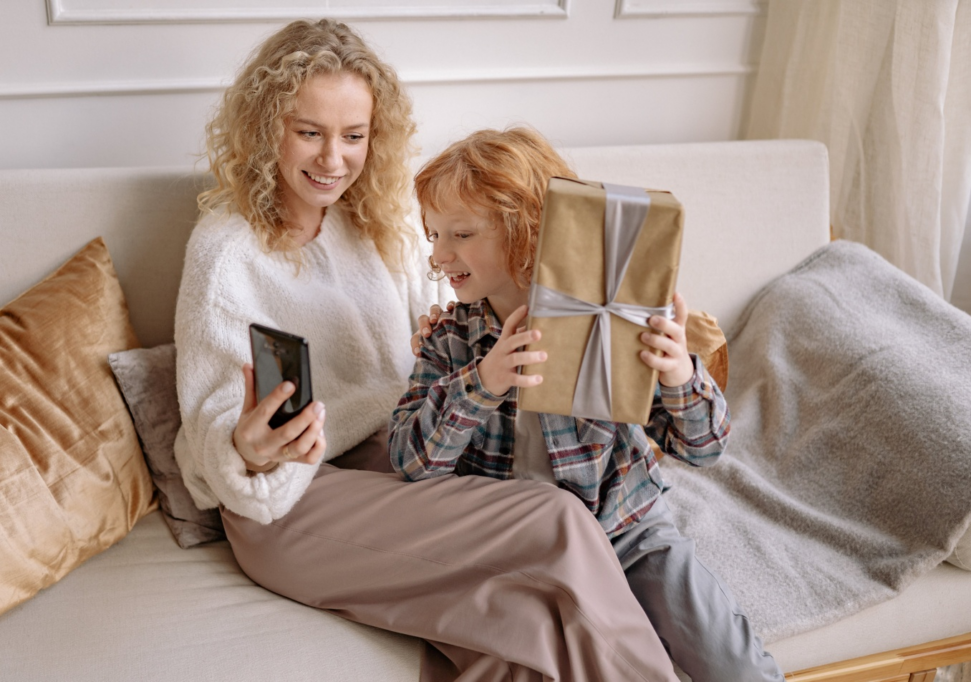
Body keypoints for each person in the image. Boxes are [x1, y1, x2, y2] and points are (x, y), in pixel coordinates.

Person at [173, 18, 682, 682]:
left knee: (527, 634)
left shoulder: (383, 228)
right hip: (289, 501)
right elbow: (210, 418)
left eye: (354, 136)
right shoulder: (225, 252)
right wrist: (246, 446)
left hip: (394, 475)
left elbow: (444, 353)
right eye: (310, 132)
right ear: (266, 126)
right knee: (554, 519)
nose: (334, 159)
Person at [390, 127, 785, 682]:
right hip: (521, 555)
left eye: (460, 233)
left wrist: (676, 373)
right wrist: (484, 381)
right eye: (433, 234)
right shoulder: (450, 340)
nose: (438, 254)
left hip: (627, 530)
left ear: (528, 233)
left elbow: (705, 447)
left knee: (732, 661)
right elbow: (409, 461)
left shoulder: (613, 318)